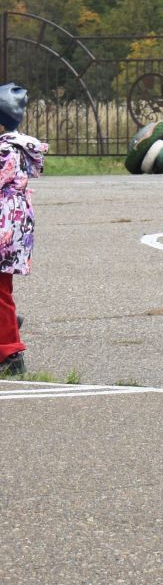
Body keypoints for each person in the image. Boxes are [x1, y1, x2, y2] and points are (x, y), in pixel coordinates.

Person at [0, 85, 45, 379]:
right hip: (14, 225)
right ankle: (9, 324)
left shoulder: (5, 151)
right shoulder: (19, 146)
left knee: (0, 291)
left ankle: (11, 349)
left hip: (3, 227)